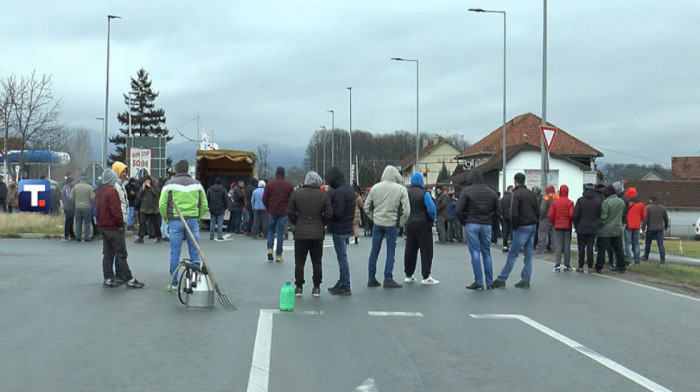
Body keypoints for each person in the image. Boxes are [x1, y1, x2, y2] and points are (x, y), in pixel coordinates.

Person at [159, 159, 208, 290]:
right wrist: (198, 217)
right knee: (194, 251)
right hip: (192, 220)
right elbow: (204, 204)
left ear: (176, 170)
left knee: (175, 252)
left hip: (176, 220)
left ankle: (174, 283)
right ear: (187, 170)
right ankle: (195, 281)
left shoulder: (169, 184)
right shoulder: (197, 184)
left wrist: (167, 219)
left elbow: (162, 204)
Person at [96, 169, 145, 288]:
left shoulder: (100, 191)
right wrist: (120, 224)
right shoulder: (112, 191)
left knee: (107, 253)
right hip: (113, 227)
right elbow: (116, 210)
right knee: (121, 252)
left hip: (103, 226)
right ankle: (129, 278)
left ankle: (108, 278)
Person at [287, 171, 332, 297]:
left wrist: (297, 222)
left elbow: (290, 211)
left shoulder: (297, 194)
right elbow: (329, 213)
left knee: (299, 261)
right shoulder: (323, 195)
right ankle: (316, 287)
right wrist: (321, 223)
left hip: (301, 232)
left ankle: (299, 286)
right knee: (317, 261)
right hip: (317, 232)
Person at [363, 165, 410, 289]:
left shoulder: (375, 188)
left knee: (374, 250)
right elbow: (406, 210)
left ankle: (371, 278)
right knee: (390, 251)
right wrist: (400, 223)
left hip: (378, 223)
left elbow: (366, 207)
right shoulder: (400, 189)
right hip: (392, 223)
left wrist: (374, 218)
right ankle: (388, 278)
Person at [492, 173, 539, 289]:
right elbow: (537, 210)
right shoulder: (532, 194)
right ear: (524, 181)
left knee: (513, 254)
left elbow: (513, 212)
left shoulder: (516, 194)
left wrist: (514, 226)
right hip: (532, 225)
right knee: (528, 255)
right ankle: (526, 279)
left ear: (515, 181)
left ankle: (502, 278)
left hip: (521, 227)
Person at [456, 169, 500, 290]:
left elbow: (459, 210)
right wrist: (491, 220)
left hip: (472, 223)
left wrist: (464, 221)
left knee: (475, 252)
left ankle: (479, 282)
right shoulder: (491, 192)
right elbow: (498, 211)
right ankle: (489, 282)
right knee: (486, 253)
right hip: (486, 224)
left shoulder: (467, 191)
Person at [324, 167, 356, 296]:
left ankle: (345, 284)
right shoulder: (348, 189)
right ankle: (342, 281)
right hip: (347, 227)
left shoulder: (339, 192)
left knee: (342, 258)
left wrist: (329, 205)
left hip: (339, 228)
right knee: (342, 257)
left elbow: (338, 212)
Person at [404, 172, 439, 285]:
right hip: (423, 223)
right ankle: (426, 276)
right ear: (421, 182)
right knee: (426, 250)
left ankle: (408, 274)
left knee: (410, 249)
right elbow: (431, 208)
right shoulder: (425, 193)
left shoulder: (406, 193)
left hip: (410, 223)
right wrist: (433, 218)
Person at [262, 167, 294, 262]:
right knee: (280, 233)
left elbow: (264, 198)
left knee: (271, 231)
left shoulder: (270, 184)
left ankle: (270, 249)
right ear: (284, 174)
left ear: (276, 173)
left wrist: (269, 208)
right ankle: (279, 255)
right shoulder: (288, 185)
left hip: (272, 211)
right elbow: (292, 200)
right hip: (283, 212)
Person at [595, 185, 627, 274]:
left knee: (602, 249)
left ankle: (599, 265)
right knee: (618, 249)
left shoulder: (606, 203)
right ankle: (621, 266)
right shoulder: (621, 202)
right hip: (617, 229)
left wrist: (598, 225)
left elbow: (603, 217)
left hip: (606, 230)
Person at [573, 184, 602, 272]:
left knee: (581, 247)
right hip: (593, 227)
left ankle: (581, 265)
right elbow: (600, 214)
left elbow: (575, 215)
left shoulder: (580, 200)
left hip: (581, 227)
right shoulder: (598, 201)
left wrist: (576, 225)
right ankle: (590, 265)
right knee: (590, 247)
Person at [549, 184, 574, 272]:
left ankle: (557, 264)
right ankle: (567, 265)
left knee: (558, 245)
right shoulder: (570, 202)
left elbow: (550, 215)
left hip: (558, 226)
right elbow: (571, 214)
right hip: (567, 226)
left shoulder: (555, 202)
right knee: (567, 245)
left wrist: (554, 222)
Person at [135, 176, 162, 243]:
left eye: (148, 180)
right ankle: (140, 237)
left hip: (153, 209)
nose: (147, 182)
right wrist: (142, 189)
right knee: (142, 223)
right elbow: (138, 196)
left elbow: (156, 193)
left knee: (155, 224)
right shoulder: (143, 187)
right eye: (146, 181)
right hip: (144, 208)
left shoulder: (154, 186)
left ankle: (158, 236)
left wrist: (150, 187)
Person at [642, 196, 668, 264]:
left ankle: (646, 256)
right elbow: (666, 219)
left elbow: (645, 219)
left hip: (650, 228)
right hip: (659, 228)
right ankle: (662, 258)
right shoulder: (663, 208)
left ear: (651, 200)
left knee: (648, 243)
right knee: (660, 244)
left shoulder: (648, 208)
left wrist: (643, 227)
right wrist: (666, 226)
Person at [625, 187, 646, 265]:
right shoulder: (641, 204)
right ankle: (637, 260)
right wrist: (639, 220)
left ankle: (628, 259)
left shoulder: (626, 203)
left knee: (627, 243)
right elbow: (644, 215)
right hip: (637, 226)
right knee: (636, 243)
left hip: (628, 225)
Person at [70, 173, 95, 242]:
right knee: (87, 222)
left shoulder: (75, 187)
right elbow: (92, 197)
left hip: (78, 207)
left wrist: (75, 202)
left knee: (78, 222)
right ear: (86, 179)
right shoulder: (90, 187)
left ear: (80, 179)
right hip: (87, 207)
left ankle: (78, 236)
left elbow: (71, 197)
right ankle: (86, 237)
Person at [536, 185, 557, 253]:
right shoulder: (557, 197)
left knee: (542, 233)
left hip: (546, 218)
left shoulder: (546, 198)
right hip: (554, 218)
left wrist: (541, 216)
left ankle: (541, 248)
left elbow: (543, 209)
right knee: (553, 233)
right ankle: (553, 248)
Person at [500, 185, 514, 252]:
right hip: (513, 216)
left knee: (505, 232)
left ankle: (505, 246)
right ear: (510, 190)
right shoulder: (513, 197)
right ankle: (514, 246)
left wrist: (502, 214)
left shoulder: (503, 198)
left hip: (505, 217)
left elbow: (501, 208)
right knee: (513, 231)